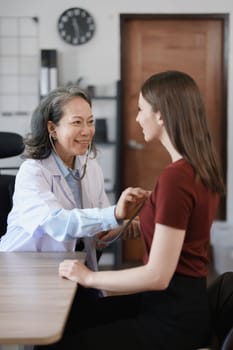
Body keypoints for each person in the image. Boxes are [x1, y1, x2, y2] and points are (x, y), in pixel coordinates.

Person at [37, 70, 225, 350]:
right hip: (176, 306)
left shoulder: (177, 178)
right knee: (72, 320)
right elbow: (179, 237)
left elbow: (157, 276)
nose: (137, 118)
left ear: (161, 115)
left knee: (57, 343)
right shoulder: (196, 170)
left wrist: (88, 277)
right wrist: (132, 224)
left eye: (141, 110)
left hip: (170, 319)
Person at [0, 86, 146, 273]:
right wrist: (114, 214)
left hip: (70, 268)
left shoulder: (90, 166)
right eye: (77, 122)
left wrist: (123, 225)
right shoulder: (33, 172)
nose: (87, 131)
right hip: (23, 268)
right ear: (52, 128)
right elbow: (56, 223)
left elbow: (98, 232)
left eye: (90, 121)